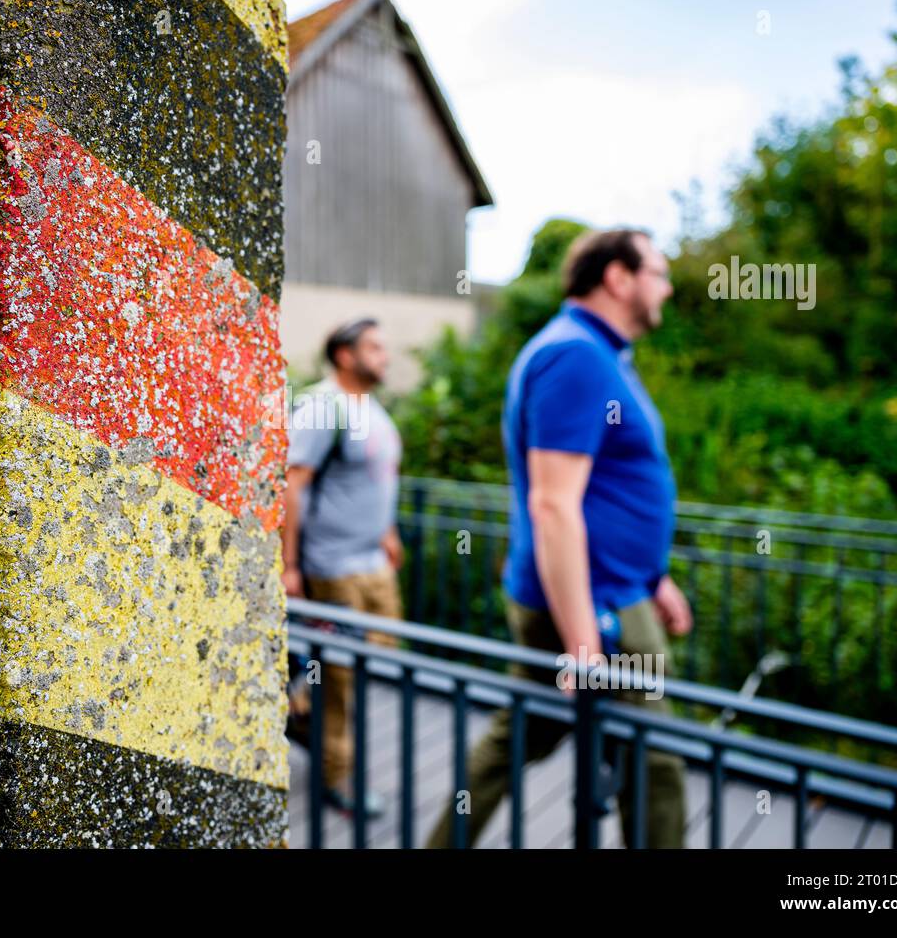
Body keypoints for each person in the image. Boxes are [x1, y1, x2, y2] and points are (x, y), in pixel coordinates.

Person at [425, 228, 691, 849]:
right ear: (618, 278)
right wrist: (582, 640)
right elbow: (553, 502)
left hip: (613, 592)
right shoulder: (576, 357)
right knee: (656, 764)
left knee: (521, 734)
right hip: (598, 610)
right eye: (658, 271)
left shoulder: (594, 352)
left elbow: (605, 491)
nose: (668, 286)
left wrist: (654, 577)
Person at [282, 318, 403, 817]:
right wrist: (290, 564)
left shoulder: (373, 410)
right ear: (344, 354)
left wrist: (389, 533)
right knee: (339, 678)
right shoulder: (321, 405)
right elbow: (293, 485)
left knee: (375, 661)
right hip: (332, 566)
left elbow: (378, 479)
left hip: (374, 563)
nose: (385, 355)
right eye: (374, 346)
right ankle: (337, 779)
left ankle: (295, 711)